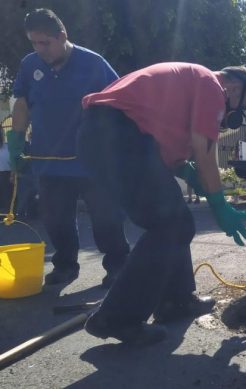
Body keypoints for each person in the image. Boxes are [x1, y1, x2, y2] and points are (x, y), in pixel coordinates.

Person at [78, 63, 246, 345]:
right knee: (170, 223)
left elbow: (166, 150)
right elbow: (205, 151)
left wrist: (187, 172)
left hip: (107, 136)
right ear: (234, 88)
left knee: (176, 220)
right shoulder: (212, 85)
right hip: (118, 137)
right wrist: (219, 205)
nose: (235, 115)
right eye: (241, 106)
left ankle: (176, 300)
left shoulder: (190, 82)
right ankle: (115, 318)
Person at [7, 9, 129, 287]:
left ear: (62, 36)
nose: (40, 50)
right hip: (47, 159)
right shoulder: (30, 65)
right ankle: (65, 265)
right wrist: (15, 142)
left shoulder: (94, 64)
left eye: (45, 43)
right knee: (55, 219)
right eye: (34, 43)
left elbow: (120, 102)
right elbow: (22, 103)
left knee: (106, 217)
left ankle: (118, 264)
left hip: (91, 159)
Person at [0, 127, 12, 214]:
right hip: (5, 173)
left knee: (6, 195)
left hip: (6, 174)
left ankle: (7, 212)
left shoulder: (7, 146)